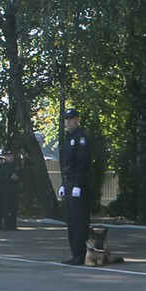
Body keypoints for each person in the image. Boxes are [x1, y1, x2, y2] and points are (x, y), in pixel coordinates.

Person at [59, 108, 91, 265]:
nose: (68, 121)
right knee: (70, 220)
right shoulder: (68, 138)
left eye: (71, 118)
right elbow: (66, 164)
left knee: (79, 220)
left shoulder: (81, 137)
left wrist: (78, 184)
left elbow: (82, 162)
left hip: (78, 183)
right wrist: (63, 183)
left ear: (77, 119)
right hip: (68, 182)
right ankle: (75, 254)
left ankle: (82, 254)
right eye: (66, 119)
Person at [0, 149, 22, 230]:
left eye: (11, 156)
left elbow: (22, 175)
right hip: (5, 190)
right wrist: (9, 178)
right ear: (5, 157)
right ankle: (7, 225)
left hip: (15, 189)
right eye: (8, 156)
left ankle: (13, 225)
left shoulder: (16, 166)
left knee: (14, 208)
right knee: (6, 208)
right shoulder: (2, 166)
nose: (10, 157)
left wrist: (18, 178)